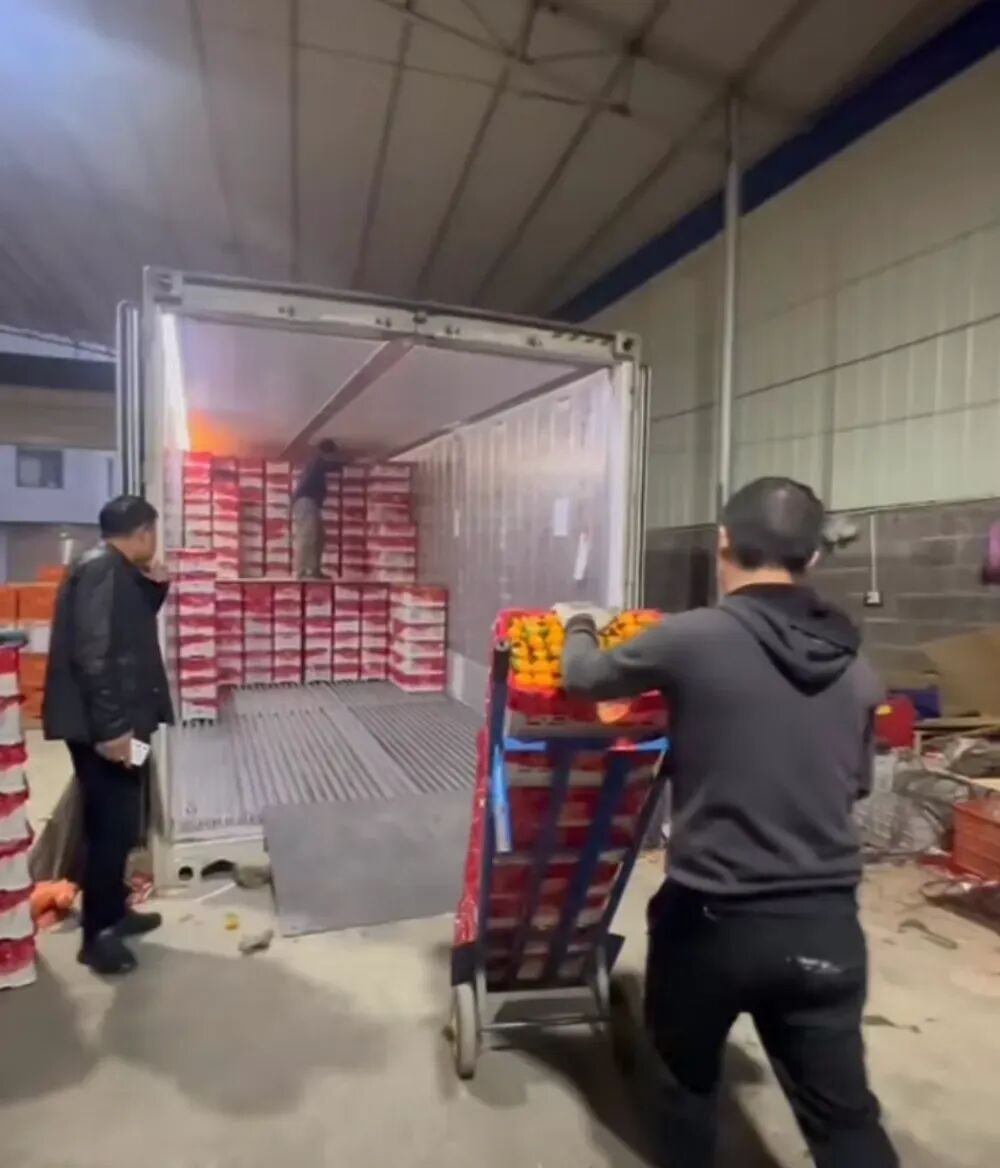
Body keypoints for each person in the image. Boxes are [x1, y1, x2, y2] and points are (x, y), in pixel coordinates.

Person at [557, 476, 897, 1168]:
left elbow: (584, 678)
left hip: (713, 920)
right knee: (845, 1123)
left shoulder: (694, 638)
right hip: (827, 929)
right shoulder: (857, 666)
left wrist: (578, 623)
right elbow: (858, 783)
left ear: (722, 544)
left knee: (684, 1096)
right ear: (813, 557)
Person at [43, 495, 174, 975]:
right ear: (142, 532)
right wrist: (114, 730)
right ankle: (97, 935)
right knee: (109, 826)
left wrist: (156, 584)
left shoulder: (116, 569)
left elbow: (132, 624)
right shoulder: (100, 570)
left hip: (123, 723)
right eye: (154, 533)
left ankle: (115, 911)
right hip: (105, 729)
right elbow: (94, 656)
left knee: (124, 815)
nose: (155, 542)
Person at [292, 438, 341, 579]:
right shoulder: (315, 460)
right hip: (306, 502)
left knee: (319, 538)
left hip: (311, 504)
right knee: (307, 536)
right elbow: (331, 466)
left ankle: (314, 570)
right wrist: (349, 462)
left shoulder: (315, 462)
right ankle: (301, 571)